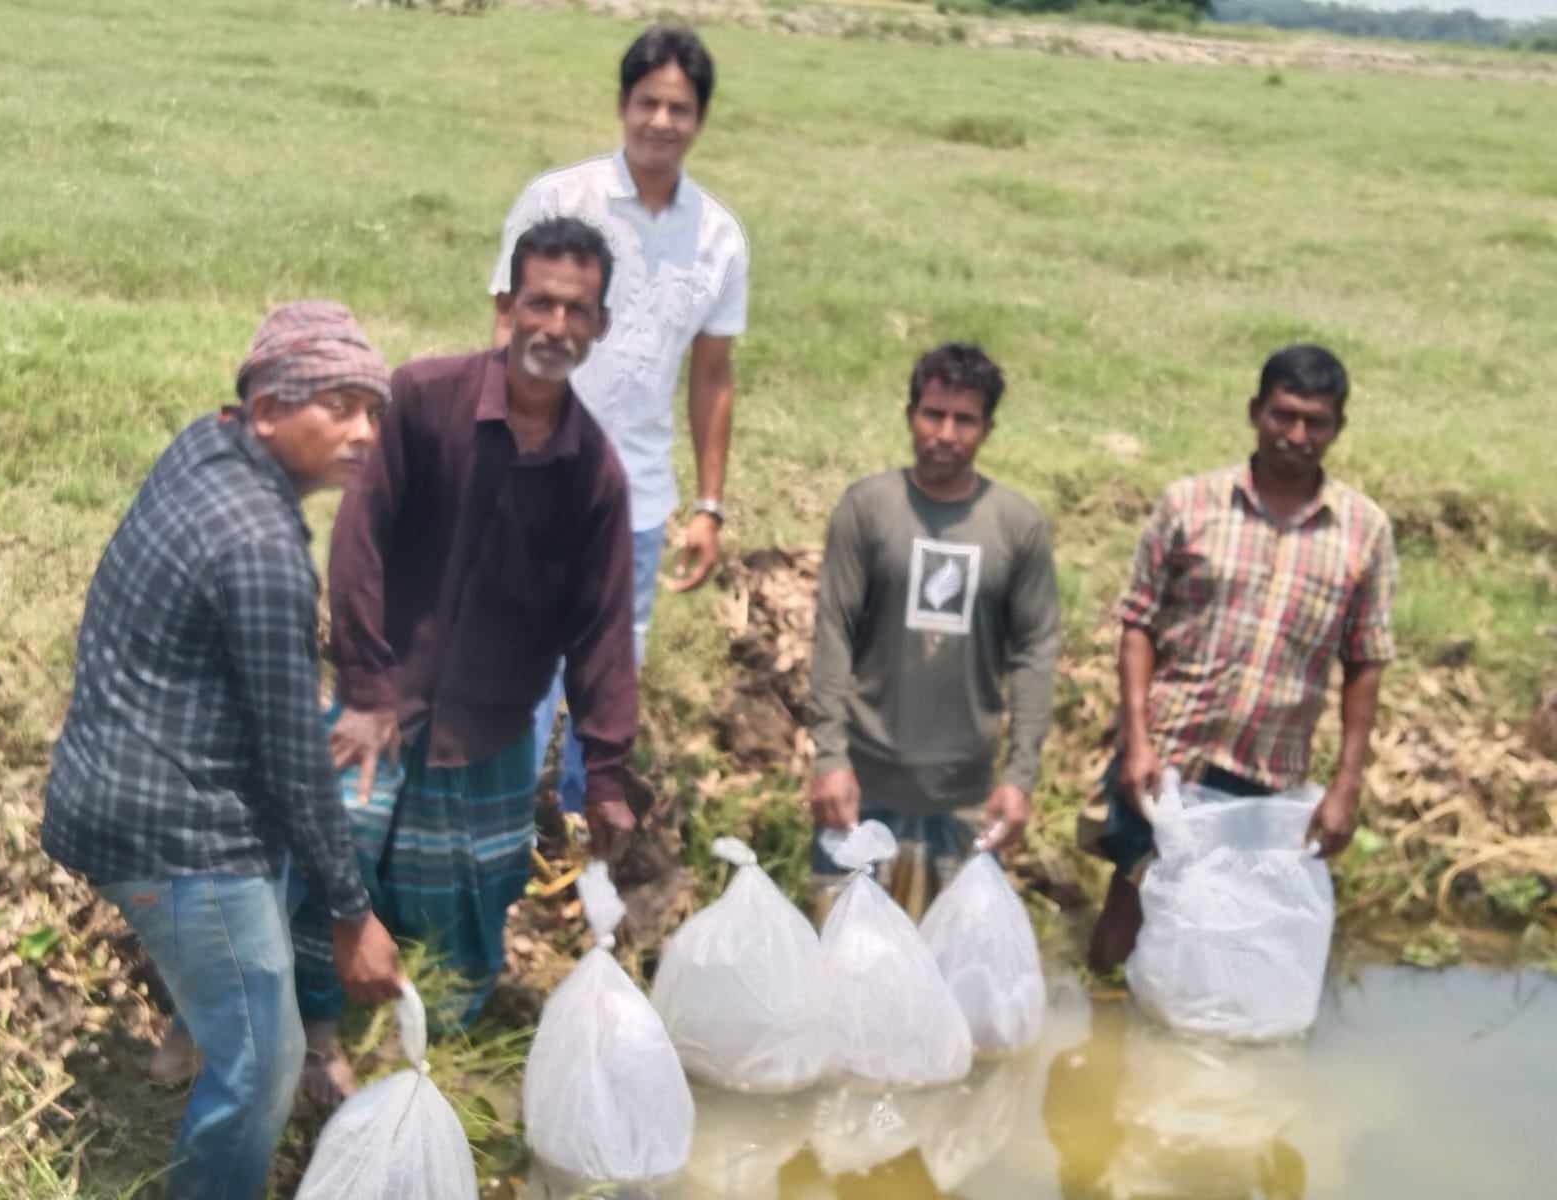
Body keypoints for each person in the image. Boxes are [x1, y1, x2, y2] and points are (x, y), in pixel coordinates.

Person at [39, 301, 404, 1200]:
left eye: (374, 410)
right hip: (176, 835)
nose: (364, 432)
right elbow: (292, 754)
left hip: (108, 772)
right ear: (269, 410)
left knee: (248, 983)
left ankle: (193, 1023)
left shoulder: (203, 446)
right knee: (265, 1067)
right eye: (340, 406)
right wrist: (353, 914)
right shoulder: (260, 548)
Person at [291, 216, 639, 1100]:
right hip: (382, 701)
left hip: (490, 725)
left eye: (577, 311)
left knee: (474, 901)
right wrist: (367, 687)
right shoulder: (421, 400)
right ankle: (312, 1037)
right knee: (327, 866)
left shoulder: (593, 471)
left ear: (599, 327)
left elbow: (602, 630)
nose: (555, 327)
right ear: (504, 308)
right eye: (540, 303)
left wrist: (605, 773)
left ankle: (421, 1055)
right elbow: (358, 546)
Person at [489, 23, 749, 816]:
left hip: (634, 495)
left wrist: (708, 505)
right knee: (520, 658)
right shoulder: (558, 200)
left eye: (679, 108)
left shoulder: (717, 238)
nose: (661, 123)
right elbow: (503, 334)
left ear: (700, 118)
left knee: (608, 670)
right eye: (648, 103)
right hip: (535, 476)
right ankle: (499, 825)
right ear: (622, 105)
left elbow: (711, 378)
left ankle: (578, 831)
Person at [1086, 343, 1398, 972]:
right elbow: (1138, 624)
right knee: (1132, 902)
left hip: (1266, 772)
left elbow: (1365, 660)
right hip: (1171, 755)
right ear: (1255, 411)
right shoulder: (1190, 505)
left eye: (1317, 422)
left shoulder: (1363, 530)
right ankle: (1103, 1031)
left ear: (1338, 428)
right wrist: (1138, 739)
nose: (1297, 435)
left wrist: (1346, 783)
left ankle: (1192, 1054)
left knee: (1227, 936)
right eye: (1283, 415)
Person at [806, 342, 1062, 917]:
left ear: (988, 429)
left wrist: (1018, 778)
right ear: (910, 416)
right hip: (860, 791)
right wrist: (828, 758)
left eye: (964, 420)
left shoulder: (1016, 526)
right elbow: (833, 633)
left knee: (948, 981)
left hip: (967, 799)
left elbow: (1034, 654)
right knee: (846, 972)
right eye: (933, 414)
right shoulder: (867, 509)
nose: (945, 433)